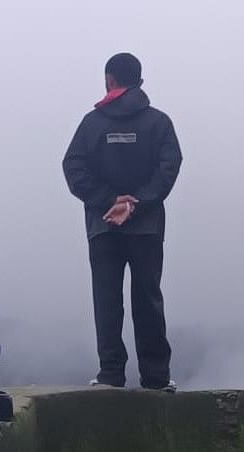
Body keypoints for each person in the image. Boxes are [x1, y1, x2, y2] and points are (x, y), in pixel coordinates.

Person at [62, 53, 183, 391]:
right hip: (146, 227)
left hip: (102, 226)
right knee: (148, 298)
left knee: (107, 300)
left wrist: (107, 200)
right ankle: (156, 378)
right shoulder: (159, 123)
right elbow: (168, 168)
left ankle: (111, 376)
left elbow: (73, 167)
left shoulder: (92, 123)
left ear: (110, 80)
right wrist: (136, 203)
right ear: (139, 81)